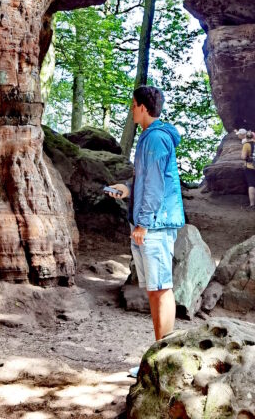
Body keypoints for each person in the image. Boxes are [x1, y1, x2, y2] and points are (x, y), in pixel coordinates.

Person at [108, 85, 184, 351]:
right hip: (153, 222)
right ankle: (158, 354)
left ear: (142, 106)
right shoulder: (150, 137)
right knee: (154, 288)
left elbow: (154, 186)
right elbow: (146, 181)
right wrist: (127, 189)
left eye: (133, 105)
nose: (131, 110)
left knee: (161, 288)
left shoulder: (154, 138)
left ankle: (164, 358)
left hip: (156, 225)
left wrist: (143, 223)